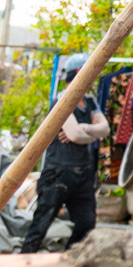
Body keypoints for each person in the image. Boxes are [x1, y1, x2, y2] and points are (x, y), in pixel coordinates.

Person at [18, 64, 109, 252]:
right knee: (41, 224)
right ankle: (23, 261)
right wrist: (92, 133)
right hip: (58, 173)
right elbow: (75, 135)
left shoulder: (90, 101)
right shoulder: (63, 100)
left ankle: (69, 258)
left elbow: (104, 129)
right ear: (79, 73)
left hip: (82, 173)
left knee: (86, 223)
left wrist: (84, 129)